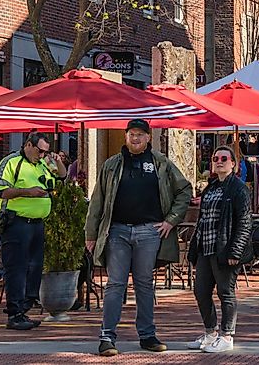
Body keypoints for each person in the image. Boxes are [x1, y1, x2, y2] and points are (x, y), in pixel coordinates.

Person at [85, 119, 191, 357]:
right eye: (131, 134)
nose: (135, 138)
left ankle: (147, 335)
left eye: (140, 135)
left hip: (149, 232)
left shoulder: (161, 163)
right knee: (115, 284)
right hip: (117, 231)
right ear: (125, 136)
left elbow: (184, 190)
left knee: (144, 283)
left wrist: (171, 220)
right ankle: (107, 336)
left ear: (148, 138)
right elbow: (97, 201)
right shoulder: (111, 165)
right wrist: (91, 234)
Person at [0, 132, 64, 330]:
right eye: (39, 150)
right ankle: (14, 313)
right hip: (16, 222)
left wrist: (56, 161)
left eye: (45, 152)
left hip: (37, 223)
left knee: (34, 266)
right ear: (28, 145)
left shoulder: (42, 163)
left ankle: (24, 307)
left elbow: (62, 176)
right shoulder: (11, 162)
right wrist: (27, 192)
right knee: (16, 268)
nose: (42, 155)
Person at [187, 146, 252, 353]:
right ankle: (210, 332)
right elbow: (202, 219)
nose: (220, 161)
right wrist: (194, 249)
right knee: (201, 291)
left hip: (224, 249)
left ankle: (227, 335)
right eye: (216, 158)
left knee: (226, 291)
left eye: (224, 158)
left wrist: (236, 251)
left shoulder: (238, 188)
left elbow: (244, 221)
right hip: (206, 248)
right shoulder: (211, 187)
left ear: (233, 163)